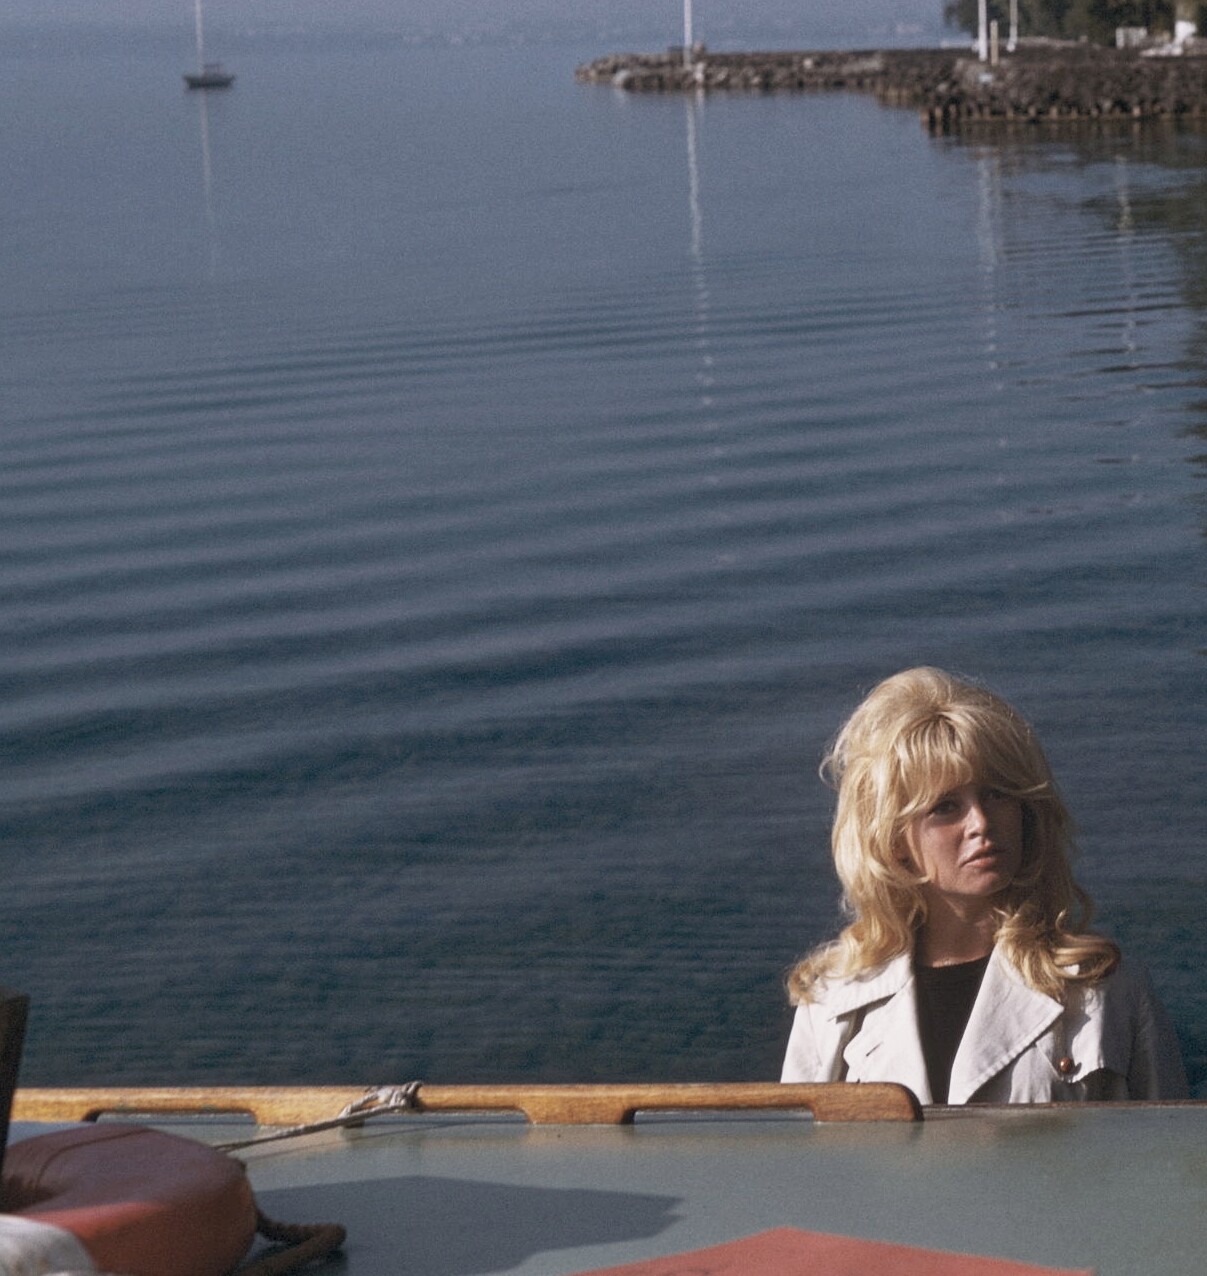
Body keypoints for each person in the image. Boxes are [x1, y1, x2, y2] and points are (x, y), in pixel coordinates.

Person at [781, 667, 1187, 1104]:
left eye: (996, 794)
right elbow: (796, 1146)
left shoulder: (1106, 989)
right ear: (894, 840)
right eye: (945, 807)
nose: (981, 823)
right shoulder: (833, 1002)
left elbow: (1170, 1141)